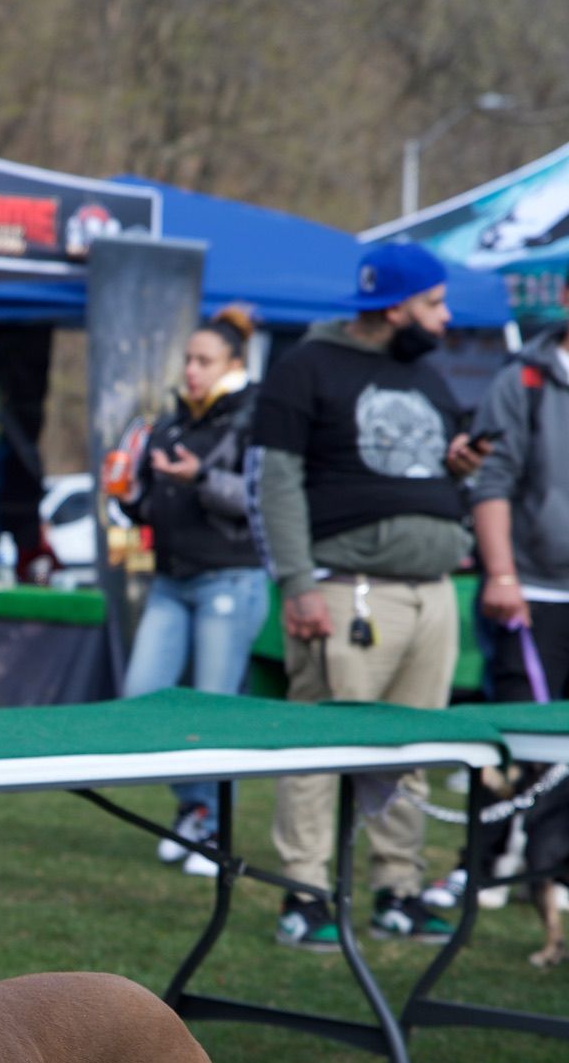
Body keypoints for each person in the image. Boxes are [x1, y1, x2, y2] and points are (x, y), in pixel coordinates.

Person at [247, 239, 486, 950]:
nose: (444, 320)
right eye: (433, 304)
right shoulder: (305, 367)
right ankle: (306, 894)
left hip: (434, 594)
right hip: (347, 592)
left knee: (408, 749)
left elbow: (426, 470)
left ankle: (399, 890)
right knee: (320, 746)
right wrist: (298, 584)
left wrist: (460, 468)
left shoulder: (429, 378)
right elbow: (275, 484)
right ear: (393, 307)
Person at [121, 304, 267, 877]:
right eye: (188, 359)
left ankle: (209, 821)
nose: (192, 370)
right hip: (172, 578)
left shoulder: (255, 415)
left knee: (213, 708)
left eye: (204, 360)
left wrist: (200, 478)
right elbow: (153, 501)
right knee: (145, 696)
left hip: (230, 578)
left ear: (235, 364)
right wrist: (131, 493)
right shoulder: (172, 419)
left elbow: (260, 499)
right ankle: (193, 806)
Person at [469, 300, 569, 884]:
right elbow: (493, 481)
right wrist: (502, 574)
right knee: (517, 738)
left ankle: (551, 871)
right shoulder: (523, 380)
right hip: (531, 590)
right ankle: (483, 867)